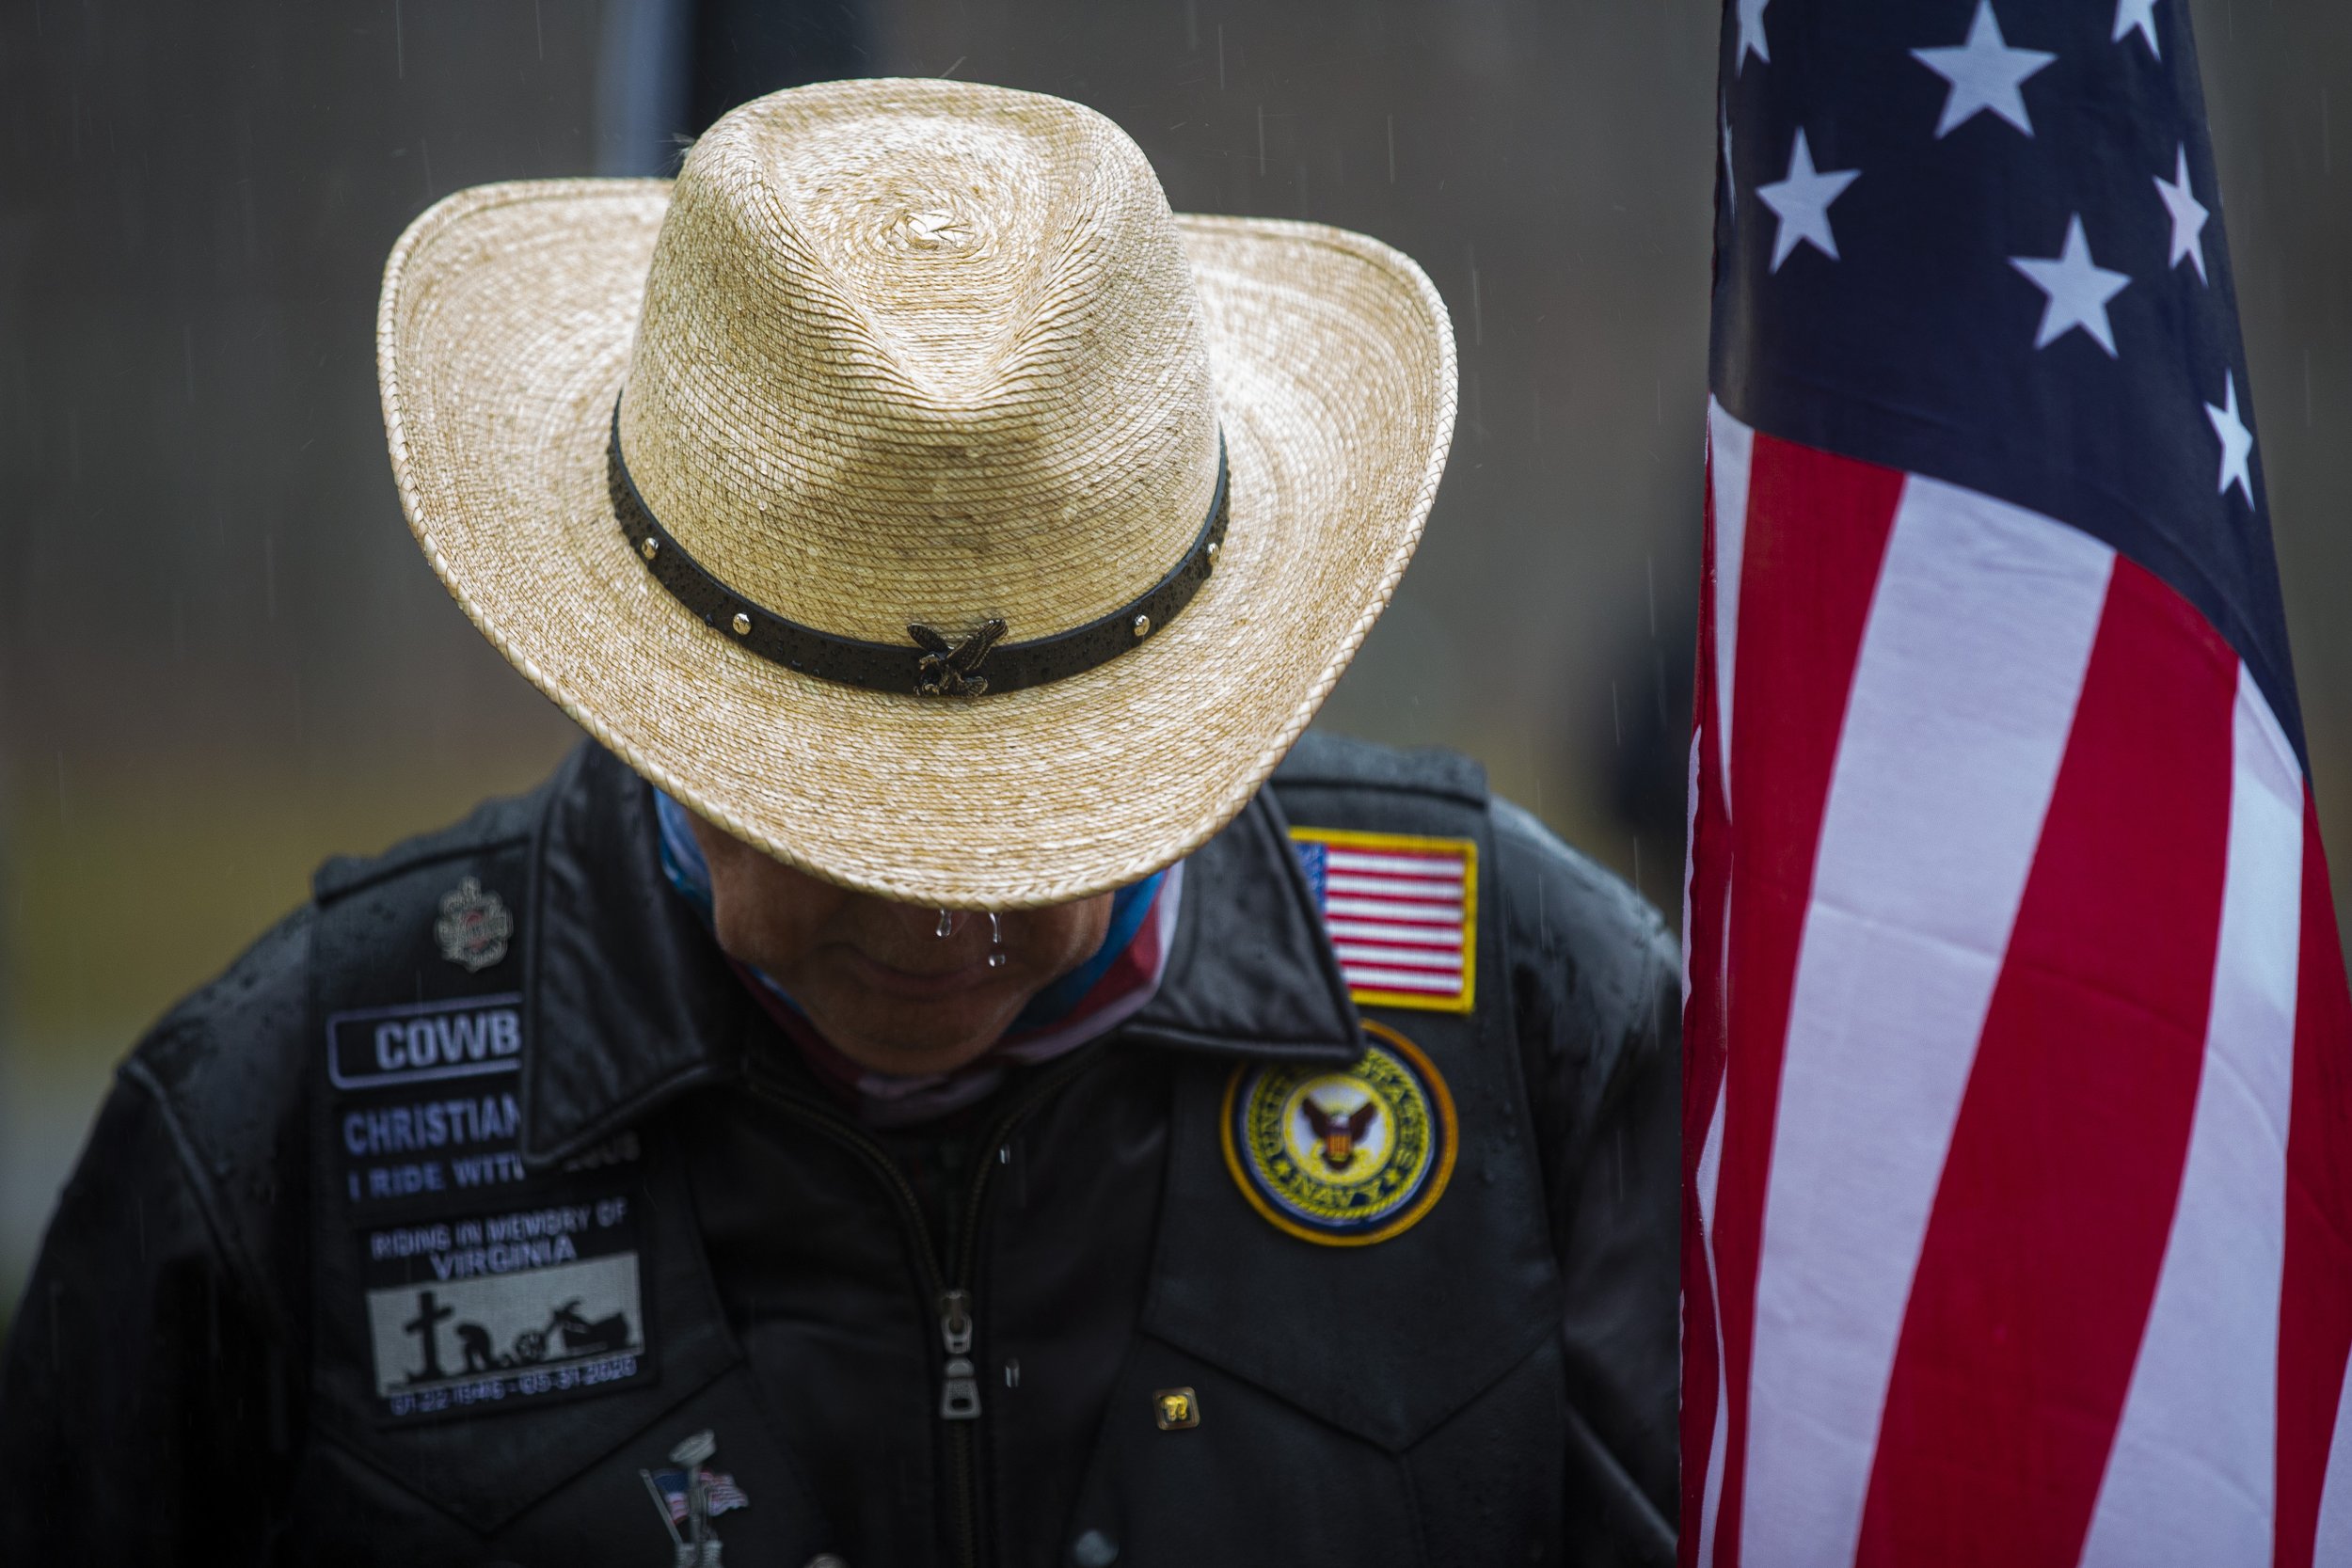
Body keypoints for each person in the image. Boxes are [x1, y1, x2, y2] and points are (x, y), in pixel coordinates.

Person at [0, 79, 1677, 1566]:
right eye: (845, 821)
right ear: (650, 703)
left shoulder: (1532, 1020)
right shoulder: (284, 1117)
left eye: (1034, 818)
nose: (950, 918)